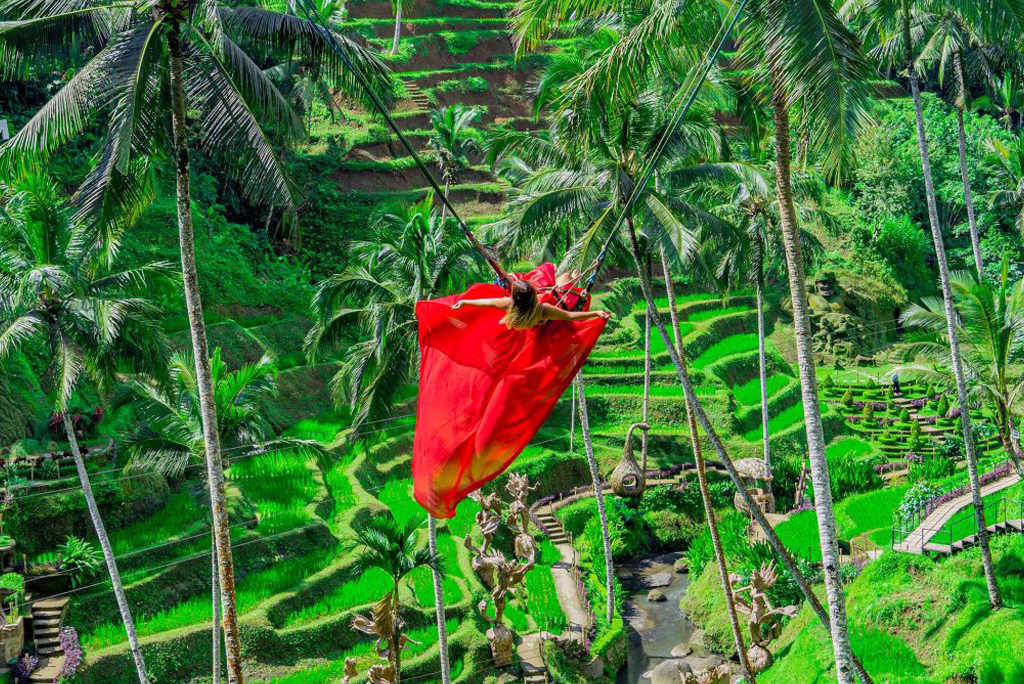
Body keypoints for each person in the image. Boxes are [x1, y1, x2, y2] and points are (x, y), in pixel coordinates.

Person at [452, 279, 610, 330]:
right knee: (565, 277)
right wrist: (595, 313)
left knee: (555, 280)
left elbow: (486, 302)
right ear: (534, 296)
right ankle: (573, 277)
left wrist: (465, 301)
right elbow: (570, 316)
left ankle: (572, 278)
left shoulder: (509, 305)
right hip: (545, 322)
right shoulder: (543, 310)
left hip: (523, 325)